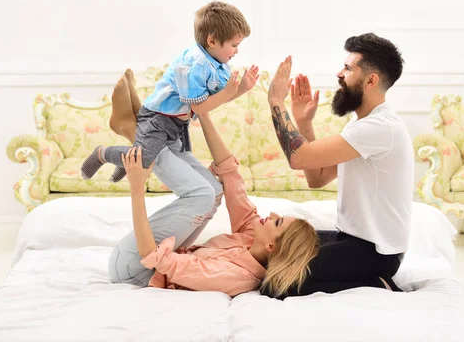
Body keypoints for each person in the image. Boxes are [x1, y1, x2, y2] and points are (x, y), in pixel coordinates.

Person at [109, 103, 319, 297]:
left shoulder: (234, 276)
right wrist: (203, 114)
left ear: (271, 247)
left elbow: (152, 256)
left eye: (278, 221)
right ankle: (151, 130)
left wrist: (137, 187)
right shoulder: (250, 238)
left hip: (137, 271)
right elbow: (230, 176)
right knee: (215, 192)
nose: (272, 214)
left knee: (202, 196)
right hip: (149, 261)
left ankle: (140, 132)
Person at [265, 33, 414, 297]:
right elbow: (317, 179)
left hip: (375, 252)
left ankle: (377, 283)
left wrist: (276, 102)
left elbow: (298, 157)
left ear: (371, 80)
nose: (339, 74)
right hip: (349, 239)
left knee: (276, 285)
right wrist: (304, 123)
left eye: (347, 68)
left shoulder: (380, 127)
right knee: (279, 253)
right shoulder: (360, 124)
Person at [80, 1, 259, 183]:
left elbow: (216, 100)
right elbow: (200, 108)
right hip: (158, 117)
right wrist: (229, 91)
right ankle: (102, 154)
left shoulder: (216, 63)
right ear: (212, 41)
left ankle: (128, 157)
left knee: (171, 161)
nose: (236, 52)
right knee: (143, 159)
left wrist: (242, 88)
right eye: (234, 45)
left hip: (175, 121)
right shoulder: (194, 66)